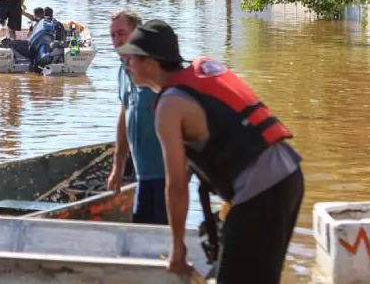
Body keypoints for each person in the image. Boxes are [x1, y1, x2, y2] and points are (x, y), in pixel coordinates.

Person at [117, 20, 303, 283]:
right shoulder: (202, 71)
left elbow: (176, 186)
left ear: (151, 62)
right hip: (289, 175)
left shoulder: (169, 106)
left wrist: (177, 246)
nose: (126, 66)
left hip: (263, 190)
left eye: (131, 59)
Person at [106, 10, 168, 225]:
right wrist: (118, 166)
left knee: (160, 241)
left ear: (137, 34)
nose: (117, 40)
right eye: (112, 35)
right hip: (143, 177)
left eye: (122, 33)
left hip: (166, 177)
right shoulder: (123, 71)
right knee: (142, 240)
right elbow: (125, 116)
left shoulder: (154, 69)